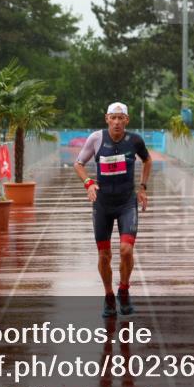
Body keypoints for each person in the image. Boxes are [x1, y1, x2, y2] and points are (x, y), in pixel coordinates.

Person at [74, 102, 151, 317]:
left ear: (127, 120)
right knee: (104, 254)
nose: (117, 122)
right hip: (103, 204)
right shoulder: (96, 139)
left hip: (127, 202)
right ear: (106, 118)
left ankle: (124, 290)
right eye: (113, 118)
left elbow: (147, 160)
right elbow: (78, 164)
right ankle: (109, 296)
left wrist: (143, 187)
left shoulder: (135, 140)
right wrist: (88, 183)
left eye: (121, 118)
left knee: (126, 250)